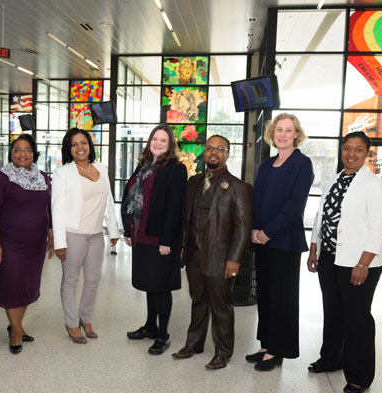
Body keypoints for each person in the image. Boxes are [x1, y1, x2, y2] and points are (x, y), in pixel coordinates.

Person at [307, 131, 382, 393]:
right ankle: (331, 359)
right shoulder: (332, 180)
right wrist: (314, 249)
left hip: (359, 261)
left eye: (357, 149)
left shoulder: (374, 184)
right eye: (347, 148)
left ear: (367, 153)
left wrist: (363, 263)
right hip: (330, 257)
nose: (350, 154)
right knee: (333, 312)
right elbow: (321, 217)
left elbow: (378, 227)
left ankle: (359, 376)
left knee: (357, 317)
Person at [172, 135, 253, 369]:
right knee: (198, 300)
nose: (213, 153)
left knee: (221, 306)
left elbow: (242, 229)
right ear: (204, 153)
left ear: (228, 153)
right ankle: (194, 344)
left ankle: (223, 351)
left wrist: (234, 259)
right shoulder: (193, 182)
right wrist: (183, 248)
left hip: (221, 258)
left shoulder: (238, 188)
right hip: (194, 255)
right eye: (209, 148)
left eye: (219, 149)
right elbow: (186, 219)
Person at [246, 112, 314, 371]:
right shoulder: (266, 164)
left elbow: (295, 206)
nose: (283, 134)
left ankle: (277, 350)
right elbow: (257, 201)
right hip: (262, 240)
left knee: (282, 297)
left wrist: (267, 232)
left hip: (284, 241)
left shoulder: (302, 164)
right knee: (264, 294)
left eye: (288, 130)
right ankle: (266, 343)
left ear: (296, 134)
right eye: (279, 130)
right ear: (272, 134)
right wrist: (254, 229)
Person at [0, 134, 54, 354]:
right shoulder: (1, 179)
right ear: (10, 153)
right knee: (12, 286)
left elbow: (49, 210)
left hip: (35, 245)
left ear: (34, 154)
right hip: (10, 244)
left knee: (27, 286)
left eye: (27, 150)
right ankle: (15, 331)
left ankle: (17, 325)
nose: (22, 154)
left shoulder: (43, 178)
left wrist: (52, 236)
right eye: (17, 150)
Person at [121, 124, 187, 355]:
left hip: (161, 239)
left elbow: (174, 208)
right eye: (154, 139)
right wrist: (129, 230)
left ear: (170, 145)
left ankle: (163, 334)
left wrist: (167, 241)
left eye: (163, 141)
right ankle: (150, 326)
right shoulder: (144, 166)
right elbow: (131, 198)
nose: (158, 143)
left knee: (162, 287)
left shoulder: (176, 169)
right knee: (150, 284)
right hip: (142, 236)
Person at [51, 128, 120, 344]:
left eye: (83, 142)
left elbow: (108, 200)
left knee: (93, 280)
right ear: (68, 149)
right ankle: (72, 323)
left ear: (89, 145)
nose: (80, 147)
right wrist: (60, 242)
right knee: (70, 280)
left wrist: (114, 230)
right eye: (74, 144)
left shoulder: (101, 168)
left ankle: (86, 319)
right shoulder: (63, 173)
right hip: (73, 235)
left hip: (96, 235)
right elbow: (57, 209)